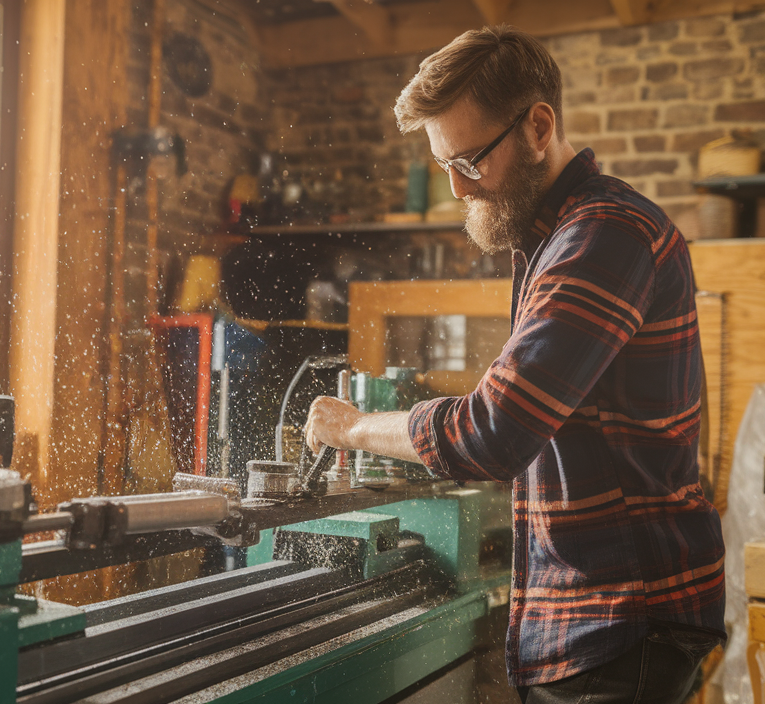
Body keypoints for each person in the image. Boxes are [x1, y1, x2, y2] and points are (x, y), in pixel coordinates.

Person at [303, 25, 726, 703]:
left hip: (622, 614)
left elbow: (494, 431)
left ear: (538, 126)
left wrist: (353, 430)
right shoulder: (551, 238)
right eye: (444, 164)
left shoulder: (603, 235)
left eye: (468, 161)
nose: (456, 188)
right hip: (597, 614)